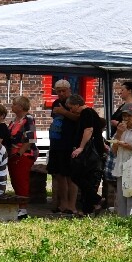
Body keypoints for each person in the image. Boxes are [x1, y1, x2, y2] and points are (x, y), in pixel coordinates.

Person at [66, 93, 106, 215]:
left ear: (77, 105)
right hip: (95, 149)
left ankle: (97, 199)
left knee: (77, 176)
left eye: (71, 107)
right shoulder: (91, 113)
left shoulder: (86, 113)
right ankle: (87, 209)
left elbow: (89, 130)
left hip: (89, 152)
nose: (71, 110)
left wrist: (81, 147)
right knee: (87, 178)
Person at [47, 79, 78, 215]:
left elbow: (78, 118)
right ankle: (62, 203)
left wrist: (64, 112)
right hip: (56, 144)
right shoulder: (55, 102)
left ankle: (72, 205)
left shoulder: (74, 102)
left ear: (69, 90)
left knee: (70, 176)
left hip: (69, 144)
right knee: (59, 175)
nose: (60, 93)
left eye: (63, 91)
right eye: (58, 91)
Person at [6, 96, 36, 198]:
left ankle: (22, 209)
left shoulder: (29, 119)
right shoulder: (14, 120)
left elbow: (31, 138)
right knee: (15, 180)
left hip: (23, 155)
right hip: (12, 154)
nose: (12, 106)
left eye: (14, 104)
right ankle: (18, 206)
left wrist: (19, 153)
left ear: (21, 106)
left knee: (21, 181)